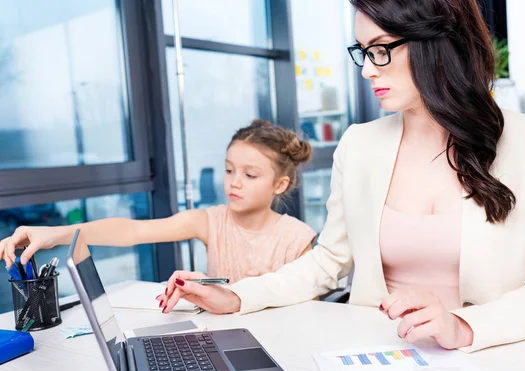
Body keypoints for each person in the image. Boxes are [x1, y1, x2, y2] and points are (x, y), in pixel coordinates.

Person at [156, 0, 525, 353]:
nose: (367, 69)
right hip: (378, 357)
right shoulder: (359, 144)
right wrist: (237, 296)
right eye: (363, 51)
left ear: (435, 42)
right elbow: (329, 260)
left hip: (497, 356)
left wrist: (463, 325)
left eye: (381, 49)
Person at [0, 120, 316, 305]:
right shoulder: (210, 221)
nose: (234, 183)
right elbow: (132, 230)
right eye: (229, 170)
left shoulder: (297, 237)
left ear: (280, 184)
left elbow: (311, 309)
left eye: (250, 175)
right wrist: (57, 234)